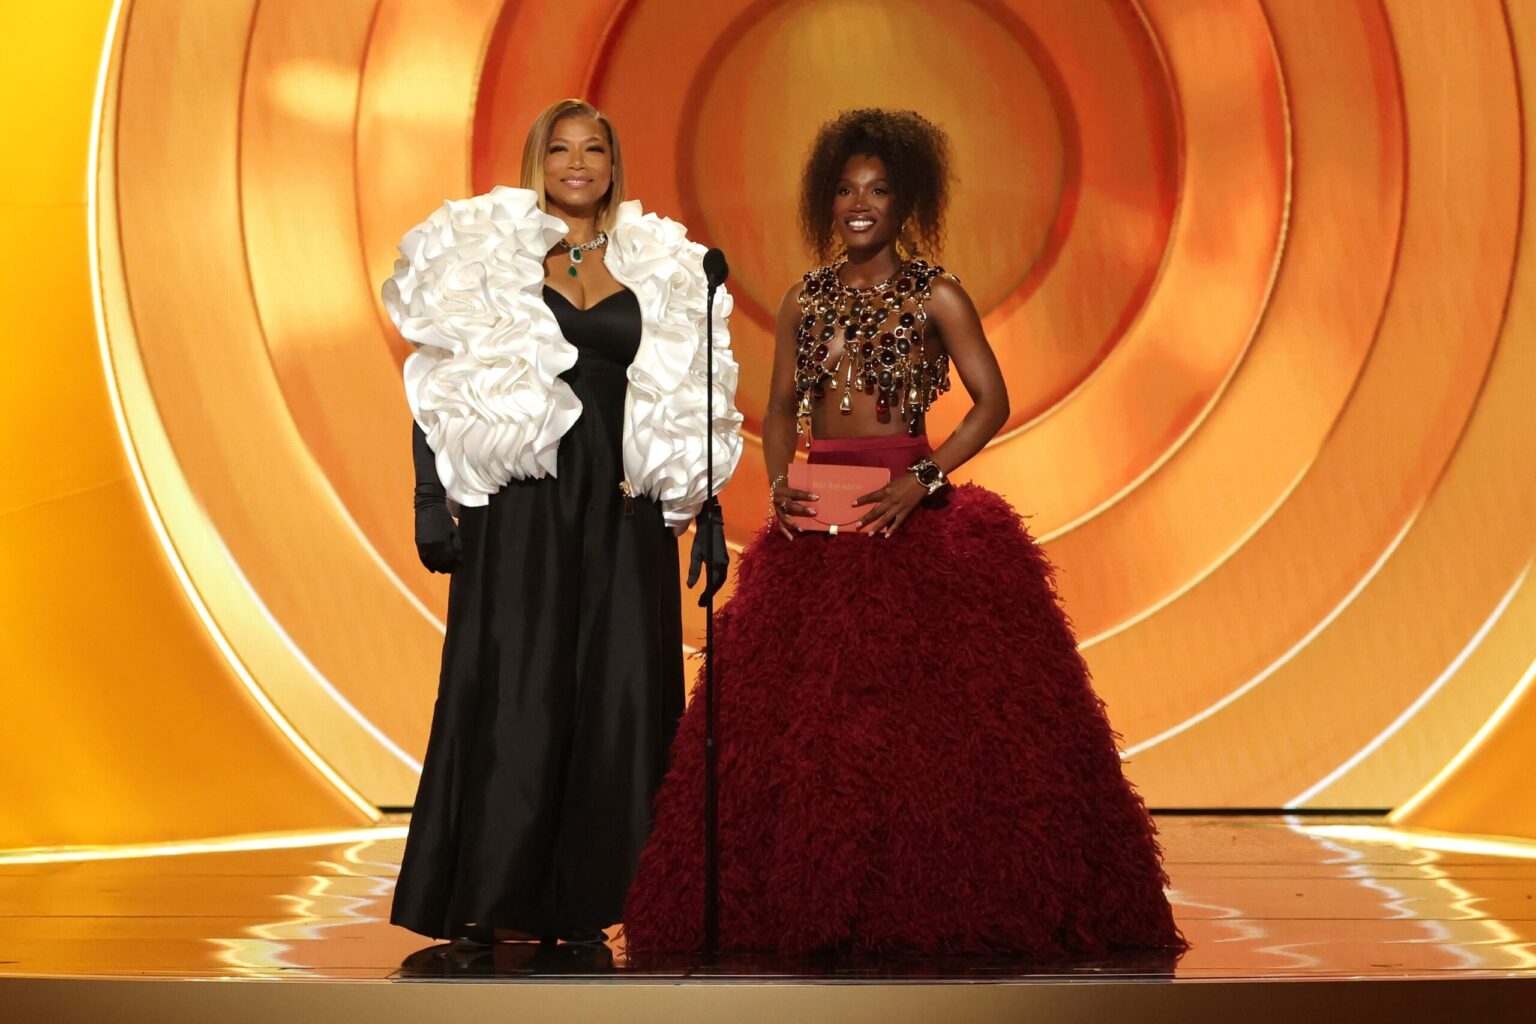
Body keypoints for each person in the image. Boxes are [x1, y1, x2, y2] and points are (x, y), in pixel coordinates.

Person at [623, 109, 1184, 956]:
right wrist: (778, 485)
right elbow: (778, 412)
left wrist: (922, 483)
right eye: (846, 190)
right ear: (826, 202)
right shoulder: (806, 297)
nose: (860, 203)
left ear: (904, 202)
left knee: (921, 729)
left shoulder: (937, 293)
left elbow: (991, 400)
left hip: (904, 515)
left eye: (878, 190)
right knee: (807, 733)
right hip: (819, 519)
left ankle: (916, 898)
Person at [381, 98, 741, 945]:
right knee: (518, 692)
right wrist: (432, 500)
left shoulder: (659, 264)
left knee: (620, 695)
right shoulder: (485, 255)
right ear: (537, 161)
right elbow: (438, 381)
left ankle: (593, 903)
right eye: (560, 149)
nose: (577, 163)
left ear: (614, 165)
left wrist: (709, 510)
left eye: (594, 149)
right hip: (525, 507)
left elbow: (697, 391)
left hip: (624, 510)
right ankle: (491, 896)